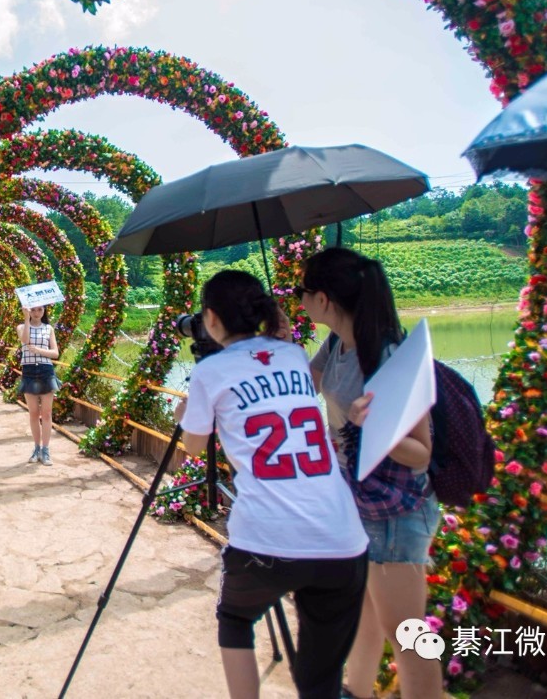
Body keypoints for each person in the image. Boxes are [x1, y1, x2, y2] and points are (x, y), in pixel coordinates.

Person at [174, 270, 368, 699]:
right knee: (320, 681)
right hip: (341, 537)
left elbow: (192, 446)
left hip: (266, 537)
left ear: (210, 318)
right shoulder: (295, 355)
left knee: (237, 619)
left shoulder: (211, 371)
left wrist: (184, 412)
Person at [300, 247, 441, 699]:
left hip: (396, 514)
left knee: (408, 637)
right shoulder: (338, 343)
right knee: (364, 615)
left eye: (303, 293)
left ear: (323, 299)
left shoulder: (388, 356)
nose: (299, 301)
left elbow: (420, 453)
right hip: (360, 504)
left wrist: (373, 425)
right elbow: (306, 386)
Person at [17, 304, 61, 466]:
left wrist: (39, 351)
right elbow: (24, 340)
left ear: (44, 311)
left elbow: (55, 353)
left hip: (46, 371)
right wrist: (26, 317)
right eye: (33, 310)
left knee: (47, 414)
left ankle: (46, 449)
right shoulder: (22, 326)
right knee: (34, 413)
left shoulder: (48, 328)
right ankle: (36, 448)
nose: (36, 313)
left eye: (40, 310)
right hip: (29, 371)